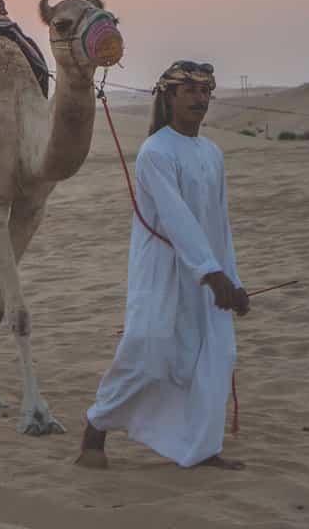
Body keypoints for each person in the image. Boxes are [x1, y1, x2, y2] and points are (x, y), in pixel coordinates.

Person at [76, 60, 250, 471]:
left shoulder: (212, 153)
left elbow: (218, 223)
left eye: (205, 91)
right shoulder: (156, 151)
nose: (200, 99)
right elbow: (176, 218)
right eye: (189, 90)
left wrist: (232, 280)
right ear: (169, 96)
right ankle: (95, 428)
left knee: (214, 357)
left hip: (211, 276)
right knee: (148, 353)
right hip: (164, 274)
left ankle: (202, 450)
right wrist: (210, 271)